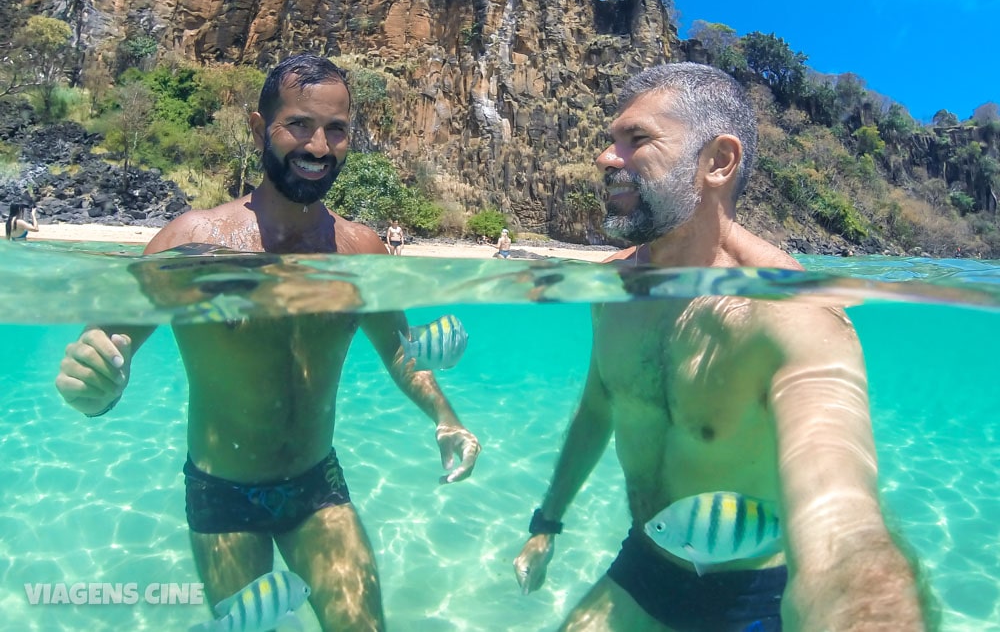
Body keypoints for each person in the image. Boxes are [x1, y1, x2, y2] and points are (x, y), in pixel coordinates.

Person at [55, 54, 482, 631]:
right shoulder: (192, 242)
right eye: (300, 125)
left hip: (317, 485)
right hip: (222, 494)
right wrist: (93, 384)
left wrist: (446, 417)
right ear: (260, 129)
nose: (320, 146)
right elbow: (106, 348)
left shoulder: (361, 251)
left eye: (337, 130)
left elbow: (402, 349)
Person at [512, 63, 927, 631]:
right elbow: (598, 408)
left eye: (636, 140)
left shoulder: (793, 311)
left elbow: (843, 520)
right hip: (644, 565)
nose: (608, 158)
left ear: (718, 162)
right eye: (610, 141)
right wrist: (547, 522)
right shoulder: (612, 289)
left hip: (751, 596)